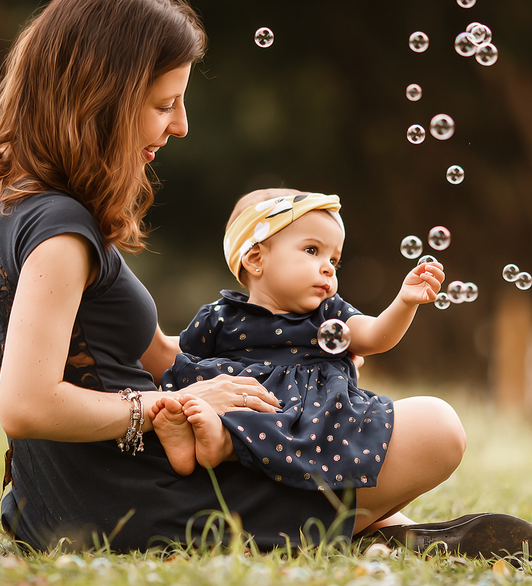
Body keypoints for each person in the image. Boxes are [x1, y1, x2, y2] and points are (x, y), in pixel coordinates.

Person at [0, 0, 532, 559]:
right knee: (436, 429)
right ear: (99, 100)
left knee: (345, 435)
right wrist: (167, 407)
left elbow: (162, 358)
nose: (181, 124)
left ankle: (364, 528)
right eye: (164, 103)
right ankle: (355, 529)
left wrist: (288, 372)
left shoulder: (25, 209)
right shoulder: (61, 231)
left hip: (75, 499)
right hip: (127, 502)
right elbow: (28, 404)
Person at [147, 188, 443, 496]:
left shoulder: (330, 313)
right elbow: (180, 362)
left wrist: (405, 302)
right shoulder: (218, 317)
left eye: (335, 260)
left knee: (316, 420)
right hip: (248, 401)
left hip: (310, 418)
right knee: (203, 384)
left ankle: (222, 443)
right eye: (313, 250)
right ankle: (189, 429)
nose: (328, 266)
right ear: (255, 259)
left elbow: (375, 336)